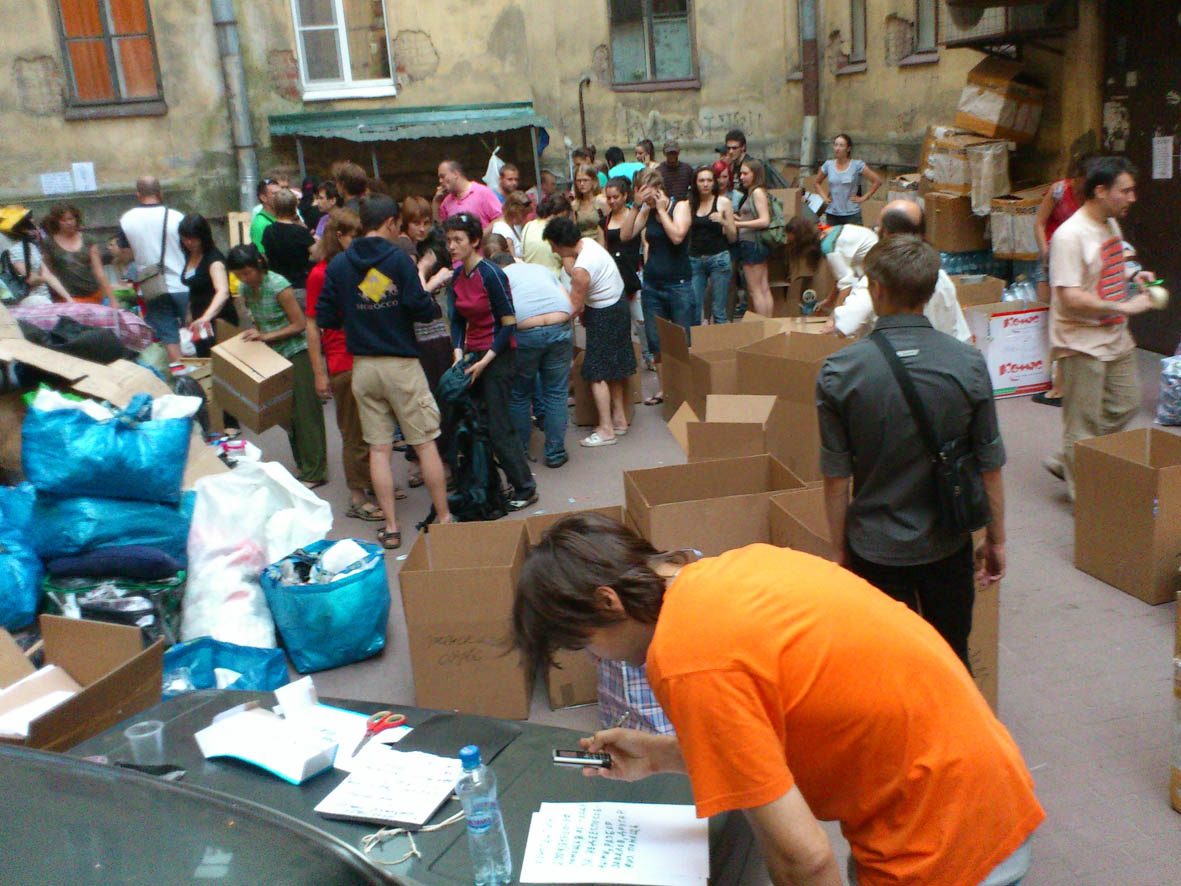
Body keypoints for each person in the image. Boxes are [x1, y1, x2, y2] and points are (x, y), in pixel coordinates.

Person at [512, 513, 1043, 886]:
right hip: (978, 781)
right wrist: (661, 756)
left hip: (938, 835)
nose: (595, 659)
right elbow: (773, 733)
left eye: (584, 643)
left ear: (608, 603)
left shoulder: (687, 657)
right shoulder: (735, 569)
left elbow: (803, 860)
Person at [819, 235, 1006, 666]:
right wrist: (996, 540)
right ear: (929, 289)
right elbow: (990, 465)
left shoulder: (840, 371)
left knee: (885, 665)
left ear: (877, 289)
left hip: (874, 546)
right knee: (951, 657)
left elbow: (836, 477)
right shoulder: (968, 363)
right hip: (948, 542)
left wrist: (839, 550)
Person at [316, 196, 454, 547]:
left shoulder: (340, 264)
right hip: (401, 364)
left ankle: (391, 527)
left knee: (378, 449)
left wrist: (358, 314)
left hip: (363, 365)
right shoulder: (397, 259)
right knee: (425, 442)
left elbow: (326, 316)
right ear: (391, 223)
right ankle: (443, 518)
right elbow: (420, 307)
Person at [1045, 156, 1155, 500]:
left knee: (1127, 404)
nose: (1132, 198)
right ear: (1101, 191)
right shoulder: (1069, 236)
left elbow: (1110, 266)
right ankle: (1086, 502)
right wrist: (1123, 307)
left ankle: (1073, 455)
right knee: (1082, 423)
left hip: (1115, 336)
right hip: (1080, 341)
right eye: (1126, 191)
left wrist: (1135, 275)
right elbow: (1069, 297)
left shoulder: (1109, 224)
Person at [444, 212, 538, 511]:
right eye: (448, 240)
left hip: (499, 356)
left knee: (499, 426)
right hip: (473, 356)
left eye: (457, 240)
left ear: (474, 241)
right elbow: (457, 321)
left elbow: (508, 323)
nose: (451, 246)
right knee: (476, 424)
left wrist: (485, 361)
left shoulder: (492, 274)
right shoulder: (457, 277)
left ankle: (525, 486)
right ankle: (487, 486)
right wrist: (458, 355)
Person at [304, 209, 385, 523]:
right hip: (343, 360)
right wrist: (319, 372)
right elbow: (313, 325)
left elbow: (374, 303)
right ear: (339, 236)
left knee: (375, 429)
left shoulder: (360, 267)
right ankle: (357, 496)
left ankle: (375, 484)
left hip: (370, 355)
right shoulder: (320, 274)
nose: (360, 241)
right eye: (355, 235)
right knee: (354, 433)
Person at [225, 244, 327, 489]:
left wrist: (265, 336)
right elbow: (258, 322)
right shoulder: (245, 289)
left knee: (306, 413)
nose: (244, 279)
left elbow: (299, 325)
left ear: (258, 265)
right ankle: (303, 464)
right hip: (272, 357)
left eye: (247, 272)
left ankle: (315, 471)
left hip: (296, 352)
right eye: (239, 275)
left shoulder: (278, 285)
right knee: (287, 414)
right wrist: (258, 336)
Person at [545, 216, 635, 449]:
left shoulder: (581, 269)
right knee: (614, 367)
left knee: (597, 373)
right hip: (617, 306)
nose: (553, 250)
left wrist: (545, 319)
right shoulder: (589, 244)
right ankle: (619, 420)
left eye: (553, 245)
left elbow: (573, 308)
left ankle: (606, 430)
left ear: (561, 243)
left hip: (604, 314)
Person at [830, 200, 970, 342]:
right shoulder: (940, 277)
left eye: (877, 228)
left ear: (886, 233)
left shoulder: (878, 277)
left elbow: (844, 326)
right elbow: (962, 335)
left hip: (890, 355)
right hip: (940, 353)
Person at [489, 250, 573, 468]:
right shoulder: (539, 269)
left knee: (519, 394)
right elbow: (567, 299)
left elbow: (498, 315)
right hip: (559, 323)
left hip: (525, 331)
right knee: (556, 392)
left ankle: (520, 452)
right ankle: (555, 453)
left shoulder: (499, 277)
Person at [622, 167, 693, 405]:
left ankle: (685, 388)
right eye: (639, 191)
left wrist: (662, 211)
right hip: (652, 283)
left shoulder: (679, 206)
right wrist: (635, 206)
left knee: (682, 340)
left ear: (657, 188)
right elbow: (625, 236)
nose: (644, 196)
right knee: (656, 341)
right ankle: (665, 389)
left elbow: (677, 236)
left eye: (646, 190)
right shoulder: (646, 211)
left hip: (678, 283)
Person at [1033, 153, 1093, 406]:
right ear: (1075, 176)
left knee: (1067, 319)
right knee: (1047, 316)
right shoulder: (1058, 190)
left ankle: (1062, 384)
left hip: (1076, 260)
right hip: (1051, 255)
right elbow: (1039, 223)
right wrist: (1045, 251)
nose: (1083, 186)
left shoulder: (1094, 197)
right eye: (1082, 180)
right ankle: (1049, 376)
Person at [118, 176, 187, 361]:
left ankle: (181, 372)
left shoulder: (127, 220)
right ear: (160, 193)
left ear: (138, 194)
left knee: (169, 336)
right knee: (195, 331)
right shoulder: (177, 217)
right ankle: (202, 370)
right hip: (182, 284)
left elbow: (125, 254)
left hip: (151, 287)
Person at [786, 215, 878, 313]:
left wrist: (834, 316)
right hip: (872, 263)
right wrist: (829, 301)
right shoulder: (830, 233)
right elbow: (840, 277)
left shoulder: (830, 247)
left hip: (875, 269)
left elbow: (846, 284)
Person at [179, 213, 237, 356]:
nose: (189, 243)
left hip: (218, 319)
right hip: (198, 319)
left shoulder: (214, 260)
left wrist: (206, 317)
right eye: (185, 239)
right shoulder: (190, 254)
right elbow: (194, 288)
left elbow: (223, 292)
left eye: (193, 238)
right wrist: (190, 313)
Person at [688, 165, 737, 325]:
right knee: (694, 308)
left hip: (718, 258)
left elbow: (733, 237)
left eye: (709, 180)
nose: (705, 184)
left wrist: (723, 222)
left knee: (719, 310)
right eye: (701, 180)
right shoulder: (690, 204)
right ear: (695, 183)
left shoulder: (723, 202)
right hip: (695, 258)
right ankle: (695, 340)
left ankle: (721, 340)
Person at [602, 177, 645, 351]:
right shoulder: (604, 221)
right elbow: (602, 250)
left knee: (640, 319)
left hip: (633, 272)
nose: (612, 201)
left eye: (616, 197)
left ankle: (648, 354)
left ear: (625, 196)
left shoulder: (635, 216)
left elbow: (644, 243)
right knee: (619, 321)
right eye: (609, 198)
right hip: (614, 276)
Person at [39, 203, 112, 304]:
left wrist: (111, 298)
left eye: (71, 219)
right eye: (63, 220)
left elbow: (99, 271)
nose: (68, 223)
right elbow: (48, 271)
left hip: (92, 293)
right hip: (65, 297)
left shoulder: (88, 240)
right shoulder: (48, 243)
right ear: (56, 222)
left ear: (76, 219)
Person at [733, 158, 774, 317]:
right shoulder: (756, 192)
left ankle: (764, 325)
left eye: (745, 173)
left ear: (755, 174)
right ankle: (768, 324)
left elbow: (764, 221)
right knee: (763, 288)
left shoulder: (757, 192)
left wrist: (739, 224)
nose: (741, 177)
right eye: (740, 173)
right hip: (757, 244)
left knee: (755, 290)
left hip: (752, 245)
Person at [4, 211, 71, 305]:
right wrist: (45, 278)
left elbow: (48, 275)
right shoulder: (15, 250)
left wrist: (68, 298)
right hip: (31, 300)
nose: (34, 229)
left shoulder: (32, 247)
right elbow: (30, 279)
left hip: (44, 297)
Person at [261, 189, 315, 306]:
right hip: (298, 286)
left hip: (276, 287)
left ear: (275, 207)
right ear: (294, 207)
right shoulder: (300, 232)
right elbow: (317, 253)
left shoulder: (268, 231)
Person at [817, 134, 882, 228]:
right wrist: (824, 198)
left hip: (852, 214)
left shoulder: (857, 165)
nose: (837, 149)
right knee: (833, 236)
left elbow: (877, 181)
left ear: (848, 148)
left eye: (841, 145)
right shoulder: (828, 165)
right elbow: (817, 183)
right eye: (836, 145)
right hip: (832, 213)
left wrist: (864, 198)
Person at [433, 160, 503, 231]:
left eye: (443, 176)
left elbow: (500, 219)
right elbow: (440, 228)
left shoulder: (483, 193)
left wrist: (482, 234)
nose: (440, 181)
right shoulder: (447, 201)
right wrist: (436, 202)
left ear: (455, 174)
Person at [520, 193, 571, 281]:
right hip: (552, 281)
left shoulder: (528, 226)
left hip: (529, 279)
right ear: (563, 213)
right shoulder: (560, 231)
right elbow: (569, 268)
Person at [570, 164, 608, 245]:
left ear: (593, 181)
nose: (582, 184)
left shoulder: (602, 202)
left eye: (585, 180)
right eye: (579, 181)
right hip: (582, 245)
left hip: (600, 245)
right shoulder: (575, 205)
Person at [490, 191, 530, 257]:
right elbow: (510, 259)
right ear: (513, 212)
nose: (525, 218)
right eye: (523, 215)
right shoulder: (503, 230)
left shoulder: (514, 226)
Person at [249, 178, 281, 252]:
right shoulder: (260, 224)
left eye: (281, 193)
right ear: (263, 198)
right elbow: (263, 254)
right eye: (275, 194)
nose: (281, 196)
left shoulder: (285, 216)